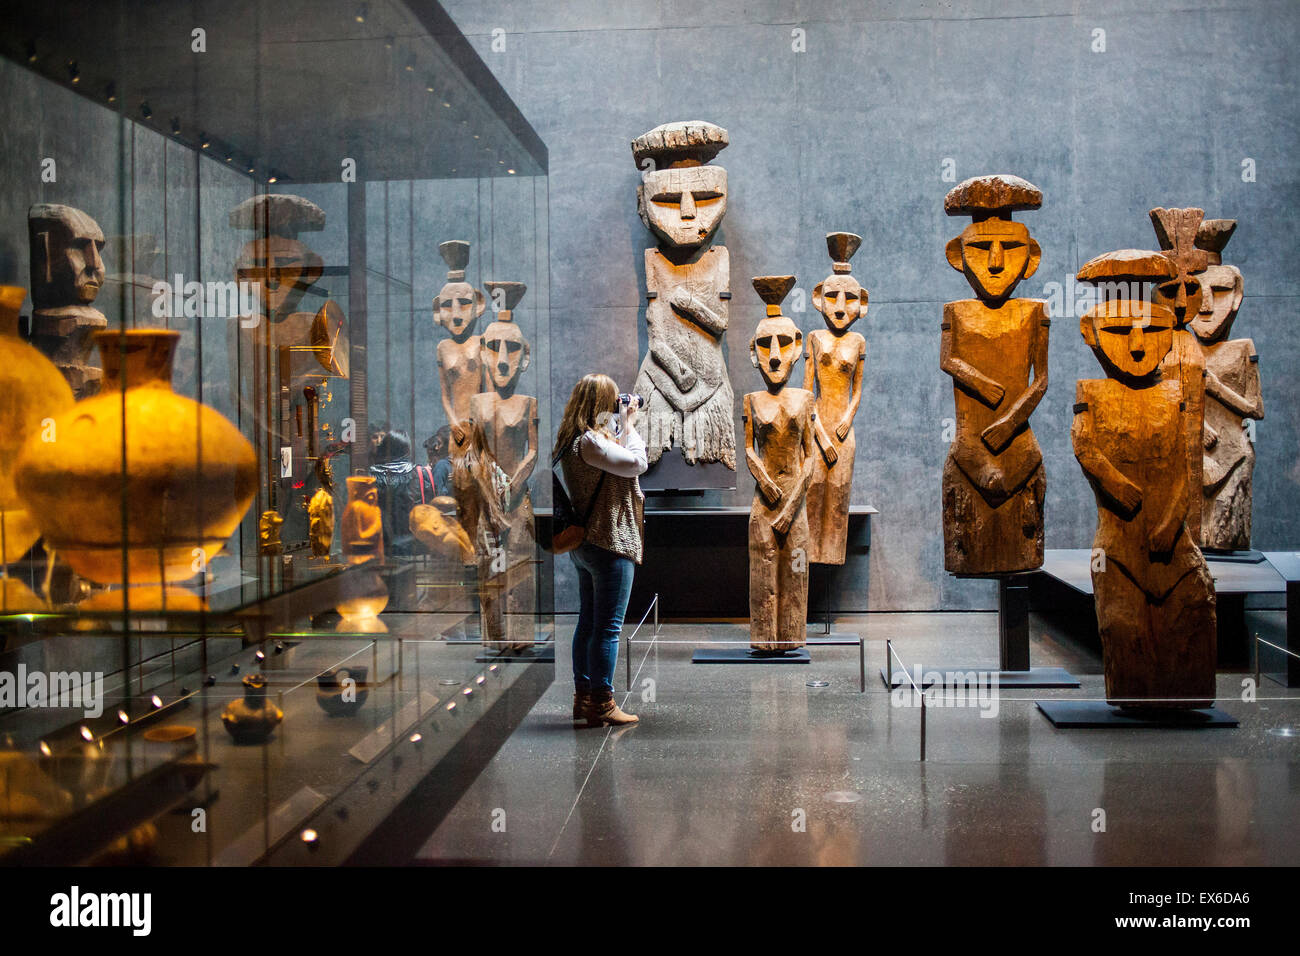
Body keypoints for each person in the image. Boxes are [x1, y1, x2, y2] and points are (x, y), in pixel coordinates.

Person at [554, 374, 647, 727]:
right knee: (608, 628)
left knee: (589, 623)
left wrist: (620, 423)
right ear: (600, 404)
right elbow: (638, 462)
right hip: (609, 541)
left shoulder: (574, 441)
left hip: (586, 544)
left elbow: (618, 457)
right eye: (611, 402)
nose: (615, 407)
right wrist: (629, 421)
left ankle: (584, 698)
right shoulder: (590, 442)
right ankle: (603, 703)